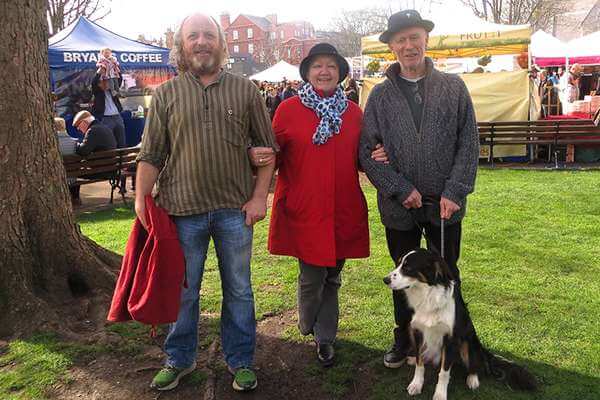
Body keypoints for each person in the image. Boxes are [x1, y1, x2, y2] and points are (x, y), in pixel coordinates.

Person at [135, 13, 277, 393]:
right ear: (181, 46)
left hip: (234, 210)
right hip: (181, 211)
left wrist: (259, 196)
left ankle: (241, 360)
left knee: (239, 289)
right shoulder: (165, 94)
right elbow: (150, 155)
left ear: (221, 43)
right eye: (193, 36)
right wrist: (140, 200)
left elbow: (267, 150)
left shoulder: (246, 90)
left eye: (209, 35)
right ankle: (179, 359)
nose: (201, 42)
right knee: (184, 291)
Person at [249, 43, 387, 368]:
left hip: (342, 209)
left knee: (333, 277)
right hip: (304, 208)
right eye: (317, 66)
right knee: (312, 276)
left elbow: (363, 158)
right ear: (308, 73)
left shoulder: (353, 113)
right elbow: (274, 154)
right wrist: (257, 155)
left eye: (331, 66)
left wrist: (379, 156)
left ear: (340, 73)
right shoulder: (288, 110)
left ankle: (325, 339)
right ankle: (306, 319)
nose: (324, 72)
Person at [358, 10, 479, 370]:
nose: (408, 46)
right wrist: (400, 188)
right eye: (400, 40)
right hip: (400, 208)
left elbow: (468, 143)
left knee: (446, 275)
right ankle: (406, 341)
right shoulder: (379, 96)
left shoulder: (454, 88)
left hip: (445, 206)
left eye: (414, 38)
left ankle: (454, 341)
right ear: (391, 47)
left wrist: (455, 191)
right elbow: (368, 151)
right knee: (404, 278)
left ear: (425, 40)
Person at [91, 72, 126, 149]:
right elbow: (94, 82)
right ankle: (111, 159)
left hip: (117, 117)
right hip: (106, 119)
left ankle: (123, 159)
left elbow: (119, 79)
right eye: (103, 82)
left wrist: (114, 68)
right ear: (99, 84)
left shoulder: (113, 90)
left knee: (121, 141)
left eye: (107, 81)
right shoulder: (98, 92)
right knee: (108, 142)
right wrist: (99, 71)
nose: (106, 84)